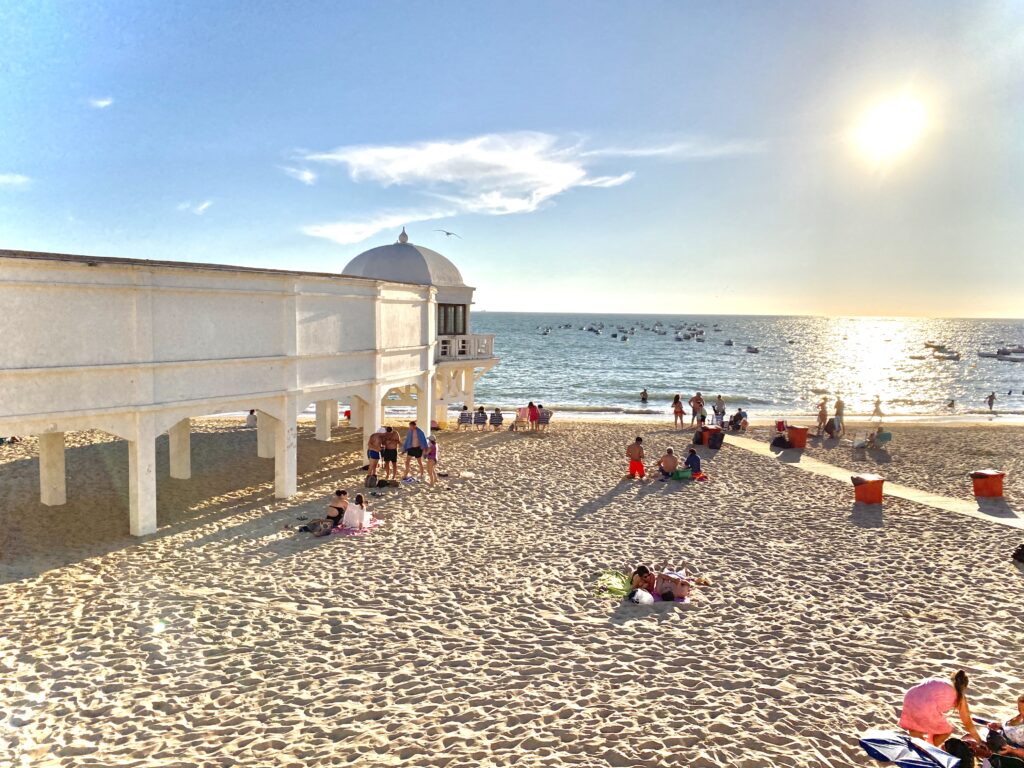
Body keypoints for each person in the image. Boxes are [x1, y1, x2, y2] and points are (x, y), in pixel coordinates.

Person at [898, 670, 983, 748]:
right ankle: (929, 749)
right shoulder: (959, 696)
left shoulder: (941, 681)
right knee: (946, 730)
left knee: (915, 730)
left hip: (910, 697)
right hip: (925, 705)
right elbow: (967, 722)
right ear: (964, 687)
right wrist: (979, 740)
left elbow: (924, 689)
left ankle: (920, 748)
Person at [982, 693, 1024, 766]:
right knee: (969, 739)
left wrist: (1013, 750)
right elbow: (1011, 727)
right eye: (1019, 709)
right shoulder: (1020, 716)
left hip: (1013, 753)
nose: (1021, 712)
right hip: (1000, 742)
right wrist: (998, 725)